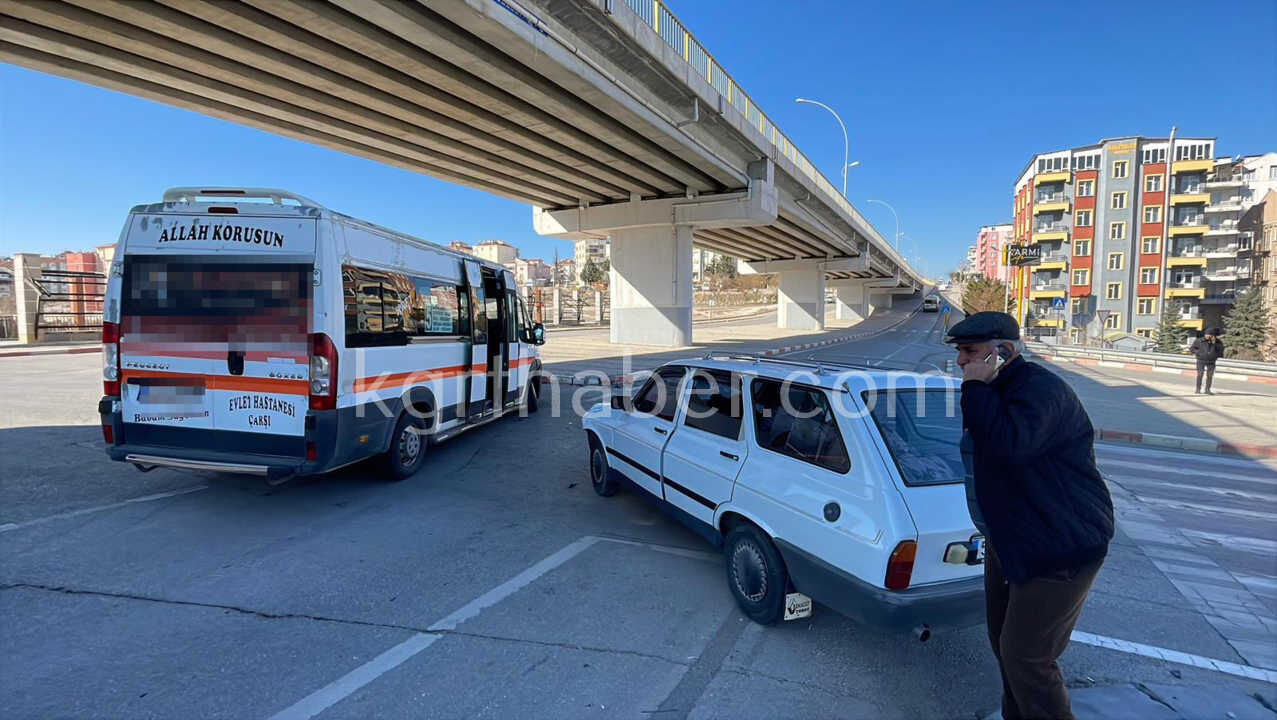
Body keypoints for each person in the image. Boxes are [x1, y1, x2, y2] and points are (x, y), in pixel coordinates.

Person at [947, 311, 1114, 720]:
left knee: (1028, 659)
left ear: (1001, 353)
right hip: (1013, 540)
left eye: (970, 353)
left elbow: (1006, 445)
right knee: (1005, 648)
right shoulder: (1000, 387)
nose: (961, 363)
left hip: (1060, 546)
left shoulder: (1040, 391)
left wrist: (974, 387)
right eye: (959, 354)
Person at [1190, 328, 1225, 395]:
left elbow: (1221, 351)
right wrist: (1198, 353)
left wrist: (1214, 343)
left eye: (1208, 334)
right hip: (1201, 360)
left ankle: (1207, 389)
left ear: (1212, 335)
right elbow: (1192, 349)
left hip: (1211, 361)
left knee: (1210, 375)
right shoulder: (1199, 340)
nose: (1206, 335)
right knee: (1200, 374)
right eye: (1206, 334)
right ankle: (1198, 389)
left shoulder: (1218, 342)